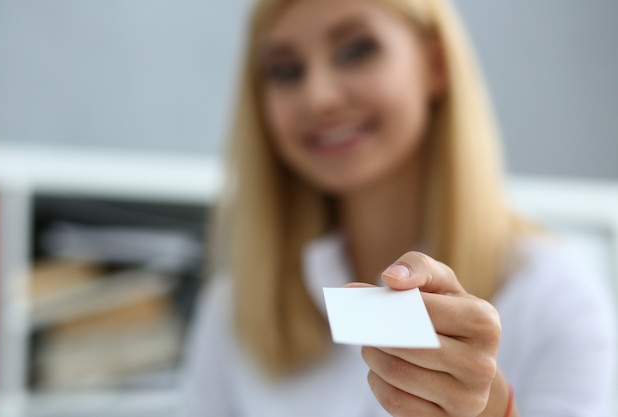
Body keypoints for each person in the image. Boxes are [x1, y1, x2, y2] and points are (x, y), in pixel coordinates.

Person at [180, 0, 616, 415]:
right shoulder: (235, 308)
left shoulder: (555, 298)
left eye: (355, 50)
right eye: (286, 71)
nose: (318, 97)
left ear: (435, 65)